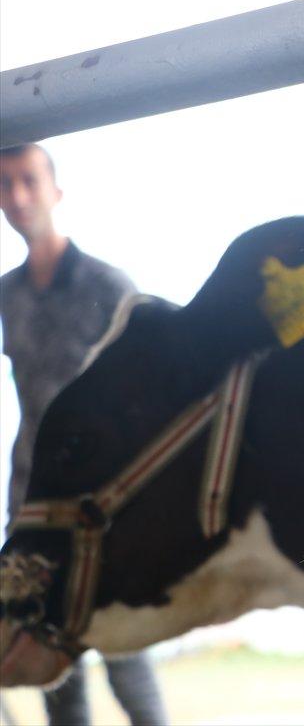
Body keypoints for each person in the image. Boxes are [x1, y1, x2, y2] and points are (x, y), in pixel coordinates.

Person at [0, 143, 167, 726]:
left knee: (126, 658)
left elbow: (150, 388)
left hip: (103, 508)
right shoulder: (7, 296)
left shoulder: (106, 283)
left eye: (28, 180)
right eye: (5, 185)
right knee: (54, 674)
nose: (17, 196)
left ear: (55, 191)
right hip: (31, 506)